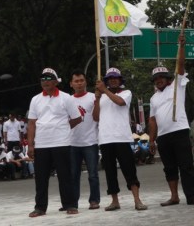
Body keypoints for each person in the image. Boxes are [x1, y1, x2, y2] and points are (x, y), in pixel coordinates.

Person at [148, 34, 194, 207]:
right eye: (156, 79)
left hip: (180, 131)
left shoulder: (177, 86)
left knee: (186, 165)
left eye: (162, 77)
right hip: (164, 136)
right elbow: (152, 120)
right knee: (169, 168)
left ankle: (192, 196)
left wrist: (181, 47)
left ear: (168, 78)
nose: (159, 80)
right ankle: (174, 196)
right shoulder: (153, 98)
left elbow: (180, 66)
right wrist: (152, 139)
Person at [27, 68, 82, 217]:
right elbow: (31, 123)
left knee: (65, 176)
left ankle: (70, 204)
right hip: (42, 144)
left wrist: (63, 128)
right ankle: (40, 207)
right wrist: (30, 145)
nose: (45, 81)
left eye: (49, 78)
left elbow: (77, 118)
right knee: (41, 178)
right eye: (43, 79)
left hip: (61, 142)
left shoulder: (66, 98)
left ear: (56, 81)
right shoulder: (35, 99)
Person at [94, 67, 147, 211]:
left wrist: (104, 90)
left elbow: (120, 102)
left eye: (115, 78)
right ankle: (115, 201)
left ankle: (137, 200)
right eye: (110, 78)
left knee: (129, 169)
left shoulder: (126, 93)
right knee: (110, 172)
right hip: (105, 138)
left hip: (122, 138)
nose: (113, 80)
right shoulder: (102, 96)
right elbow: (95, 117)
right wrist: (97, 98)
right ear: (107, 81)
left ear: (120, 80)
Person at [67, 70, 100, 211]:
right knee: (73, 175)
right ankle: (73, 203)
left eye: (81, 80)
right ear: (71, 84)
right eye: (76, 81)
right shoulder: (67, 100)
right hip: (73, 142)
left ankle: (94, 200)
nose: (79, 83)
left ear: (85, 82)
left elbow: (97, 117)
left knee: (93, 174)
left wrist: (98, 100)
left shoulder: (93, 97)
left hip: (90, 141)